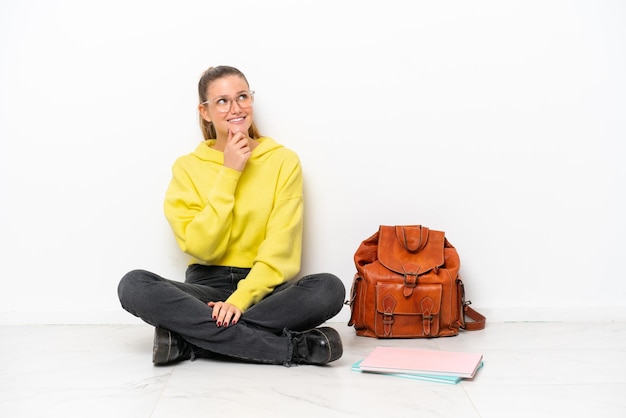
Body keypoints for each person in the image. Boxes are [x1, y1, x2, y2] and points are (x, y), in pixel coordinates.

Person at [117, 65, 345, 367]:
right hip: (206, 286)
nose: (235, 108)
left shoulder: (282, 161)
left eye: (242, 97)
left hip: (264, 289)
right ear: (205, 111)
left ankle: (189, 342)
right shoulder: (187, 167)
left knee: (329, 288)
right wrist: (229, 172)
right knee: (133, 285)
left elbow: (281, 250)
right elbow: (202, 247)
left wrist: (238, 300)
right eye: (222, 101)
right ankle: (293, 349)